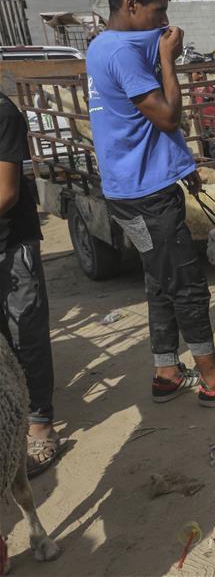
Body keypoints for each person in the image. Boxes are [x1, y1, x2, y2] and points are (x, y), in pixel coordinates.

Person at [87, 0, 215, 406]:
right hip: (146, 196)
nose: (165, 22)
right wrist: (169, 60)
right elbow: (168, 116)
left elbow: (141, 126)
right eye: (159, 11)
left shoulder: (101, 45)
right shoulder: (122, 52)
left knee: (160, 280)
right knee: (188, 285)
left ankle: (167, 371)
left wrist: (182, 167)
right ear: (131, 5)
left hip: (137, 185)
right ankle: (212, 380)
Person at [0, 92, 60, 477]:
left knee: (25, 335)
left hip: (10, 243)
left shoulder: (4, 114)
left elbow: (6, 191)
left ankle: (40, 426)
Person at [190, 70, 215, 160]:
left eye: (192, 74)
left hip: (211, 120)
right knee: (202, 141)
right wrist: (190, 114)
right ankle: (207, 159)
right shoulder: (193, 89)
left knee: (212, 140)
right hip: (199, 120)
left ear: (200, 74)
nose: (190, 76)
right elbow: (191, 101)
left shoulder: (212, 89)